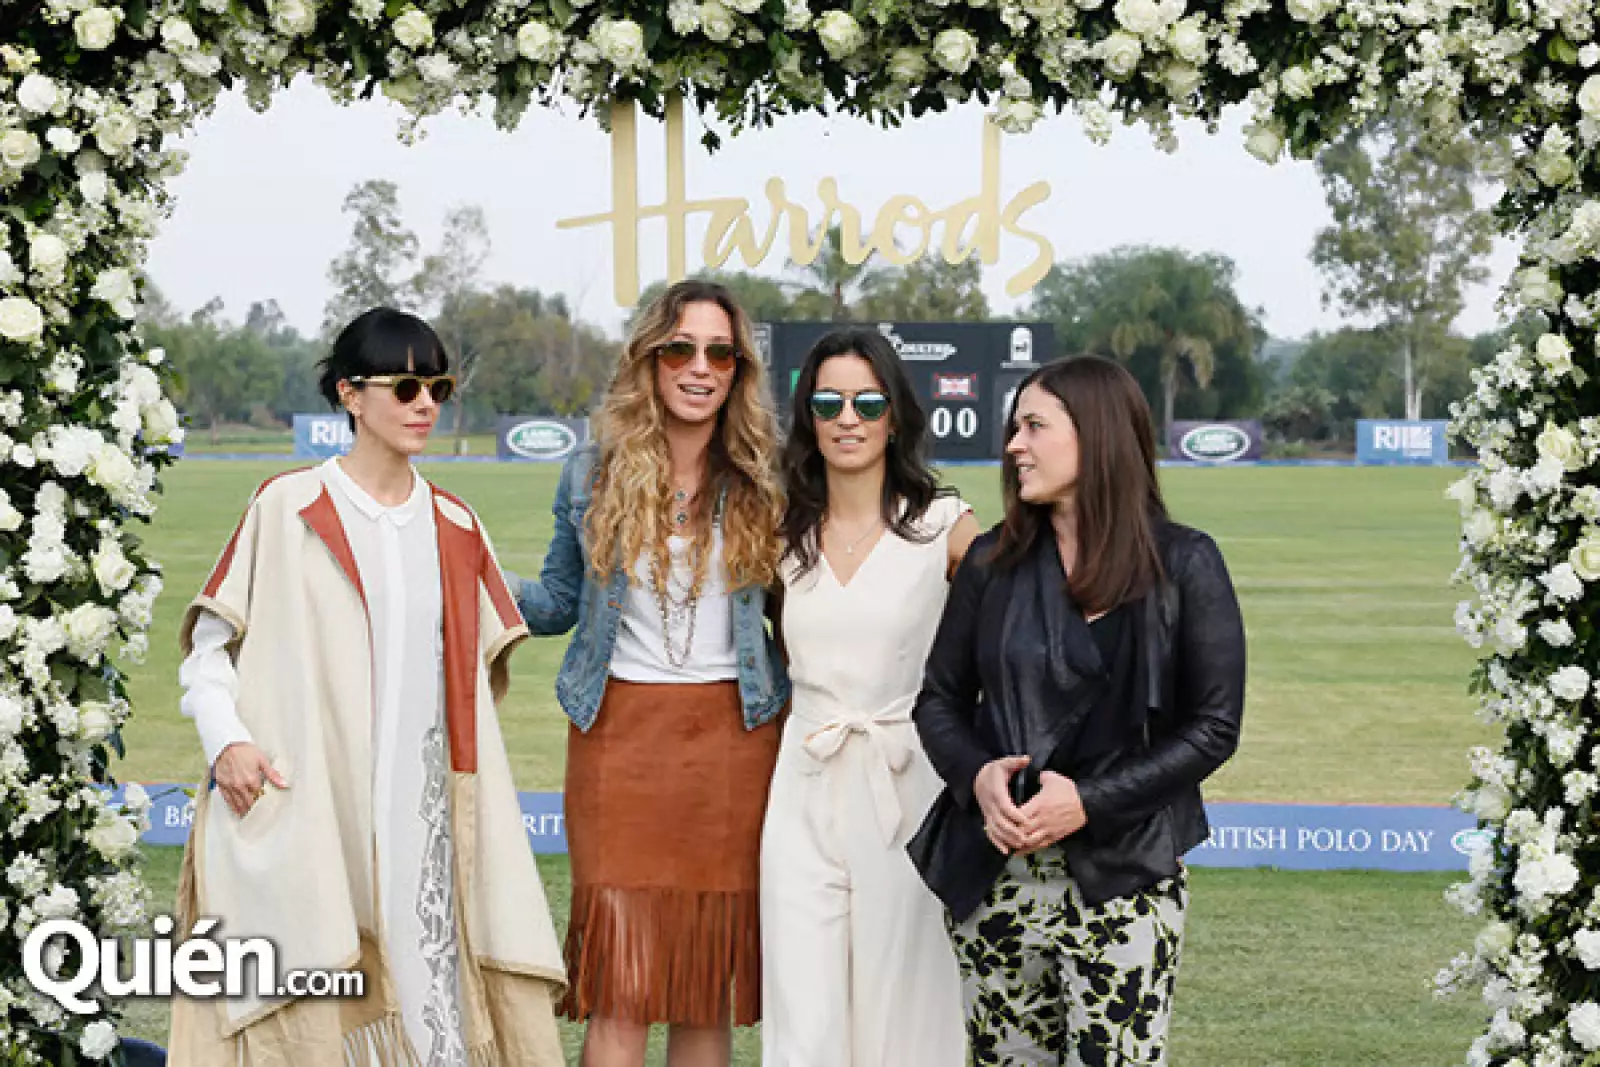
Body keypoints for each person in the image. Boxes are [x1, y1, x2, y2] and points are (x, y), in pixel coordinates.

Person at [168, 307, 566, 1066]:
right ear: (350, 394)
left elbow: (474, 686)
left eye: (438, 387)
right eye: (405, 386)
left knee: (433, 1008)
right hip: (314, 804)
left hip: (427, 819)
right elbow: (209, 649)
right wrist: (228, 741)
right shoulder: (287, 507)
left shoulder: (456, 524)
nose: (426, 405)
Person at [909, 355, 1246, 1066]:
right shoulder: (991, 563)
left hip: (1126, 875)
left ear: (1097, 434)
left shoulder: (1185, 563)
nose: (1014, 445)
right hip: (997, 874)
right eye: (1014, 427)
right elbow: (938, 700)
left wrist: (1088, 801)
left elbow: (1214, 727)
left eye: (1035, 426)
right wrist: (976, 777)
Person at [508, 279, 788, 1067]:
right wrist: (466, 570)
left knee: (704, 988)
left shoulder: (768, 473)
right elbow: (557, 601)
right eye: (680, 349)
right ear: (649, 359)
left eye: (720, 353)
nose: (700, 368)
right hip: (617, 740)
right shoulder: (590, 471)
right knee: (620, 987)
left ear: (738, 370)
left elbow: (806, 604)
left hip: (736, 744)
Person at [760, 327, 979, 1067]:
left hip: (906, 783)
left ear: (894, 415)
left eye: (867, 402)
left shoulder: (945, 525)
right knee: (803, 1007)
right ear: (808, 417)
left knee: (904, 1005)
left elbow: (1014, 627)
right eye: (828, 403)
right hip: (803, 779)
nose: (847, 418)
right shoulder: (780, 532)